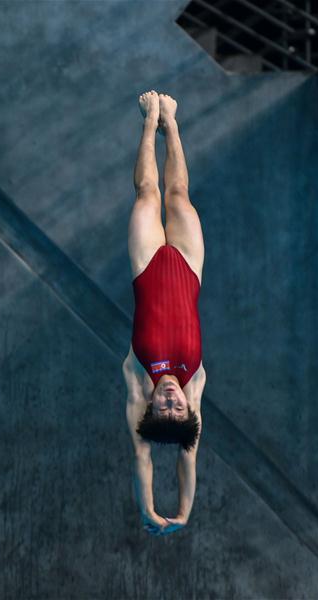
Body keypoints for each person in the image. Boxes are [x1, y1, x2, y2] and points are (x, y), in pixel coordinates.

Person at [123, 90, 206, 537]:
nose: (173, 399)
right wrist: (185, 512)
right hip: (189, 267)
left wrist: (148, 508)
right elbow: (188, 455)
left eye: (164, 405)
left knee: (146, 193)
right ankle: (171, 122)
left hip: (147, 266)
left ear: (151, 404)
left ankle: (148, 119)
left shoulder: (138, 381)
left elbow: (142, 457)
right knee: (179, 194)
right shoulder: (194, 384)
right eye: (179, 407)